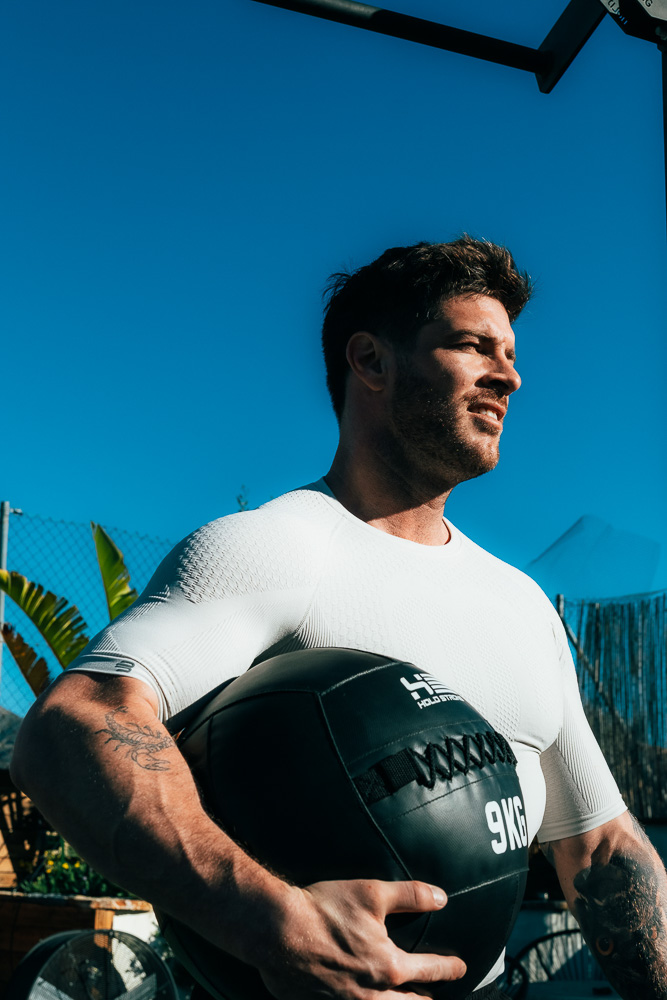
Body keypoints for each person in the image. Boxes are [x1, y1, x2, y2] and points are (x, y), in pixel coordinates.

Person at [10, 237, 667, 1000]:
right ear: (370, 361)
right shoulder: (273, 548)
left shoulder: (520, 602)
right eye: (472, 345)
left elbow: (600, 850)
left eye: (511, 354)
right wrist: (271, 921)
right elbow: (70, 728)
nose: (509, 377)